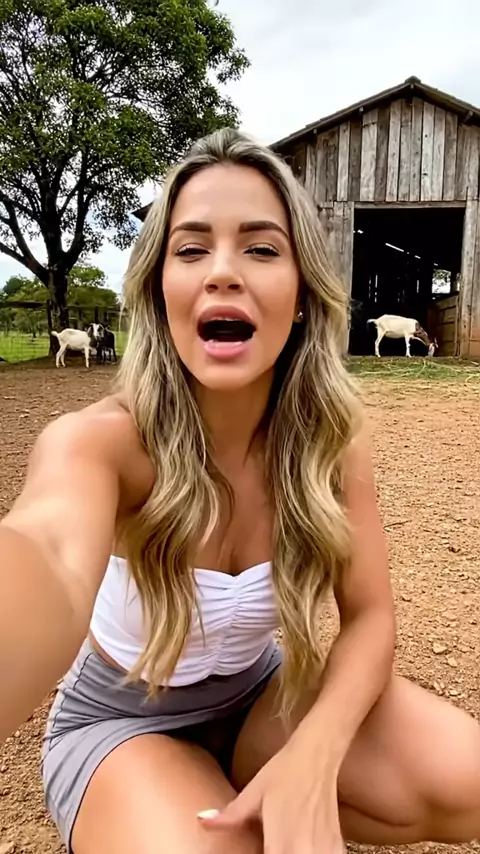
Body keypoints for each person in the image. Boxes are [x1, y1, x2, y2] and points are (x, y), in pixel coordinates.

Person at [1, 128, 480, 854]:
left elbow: (370, 618)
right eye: (192, 249)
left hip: (266, 701)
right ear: (160, 291)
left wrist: (313, 754)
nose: (223, 271)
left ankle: (247, 775)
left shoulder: (330, 441)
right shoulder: (97, 444)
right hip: (121, 724)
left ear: (301, 295)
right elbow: (47, 557)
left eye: (260, 248)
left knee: (468, 782)